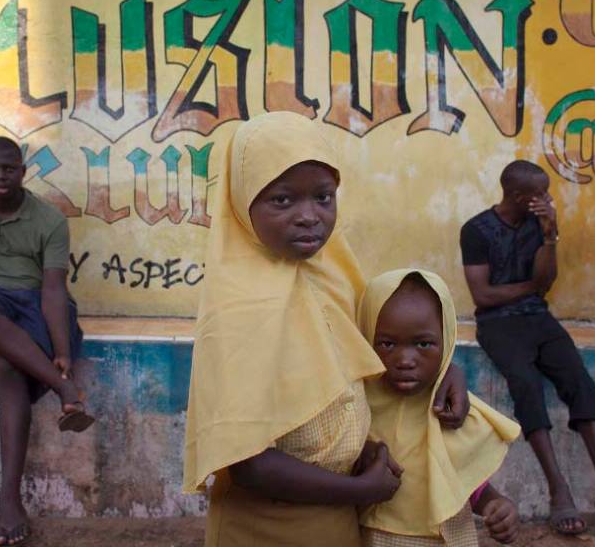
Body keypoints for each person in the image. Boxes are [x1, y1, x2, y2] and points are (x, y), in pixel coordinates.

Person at [182, 111, 470, 547]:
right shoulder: (235, 312)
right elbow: (249, 463)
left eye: (323, 197)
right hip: (266, 525)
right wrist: (361, 491)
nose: (309, 216)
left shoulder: (336, 274)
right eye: (282, 200)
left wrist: (448, 369)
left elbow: (386, 344)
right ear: (243, 202)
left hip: (337, 518)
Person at [460, 160, 595, 534]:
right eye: (540, 194)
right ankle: (558, 490)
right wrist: (528, 288)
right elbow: (484, 295)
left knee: (580, 382)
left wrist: (550, 234)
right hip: (497, 324)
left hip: (538, 317)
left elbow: (545, 281)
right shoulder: (476, 230)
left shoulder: (541, 225)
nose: (547, 200)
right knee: (526, 385)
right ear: (519, 197)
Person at [0, 136, 94, 546]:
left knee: (8, 365)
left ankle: (9, 501)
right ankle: (65, 389)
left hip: (36, 307)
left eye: (8, 169)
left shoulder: (49, 220)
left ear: (22, 172)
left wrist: (62, 350)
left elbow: (52, 291)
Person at [357, 269, 520, 546]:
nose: (405, 359)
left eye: (423, 344)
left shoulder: (450, 409)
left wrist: (495, 504)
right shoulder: (356, 408)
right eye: (387, 343)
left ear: (447, 341)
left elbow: (463, 479)